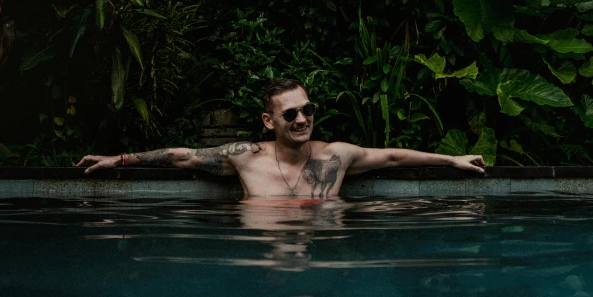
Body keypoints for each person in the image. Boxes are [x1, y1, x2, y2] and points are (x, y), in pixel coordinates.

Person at [77, 78, 485, 198]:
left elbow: (392, 158)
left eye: (307, 109)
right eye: (290, 113)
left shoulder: (335, 156)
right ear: (269, 121)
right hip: (263, 259)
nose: (303, 119)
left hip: (323, 255)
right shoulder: (246, 157)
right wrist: (119, 160)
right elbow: (184, 156)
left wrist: (452, 161)